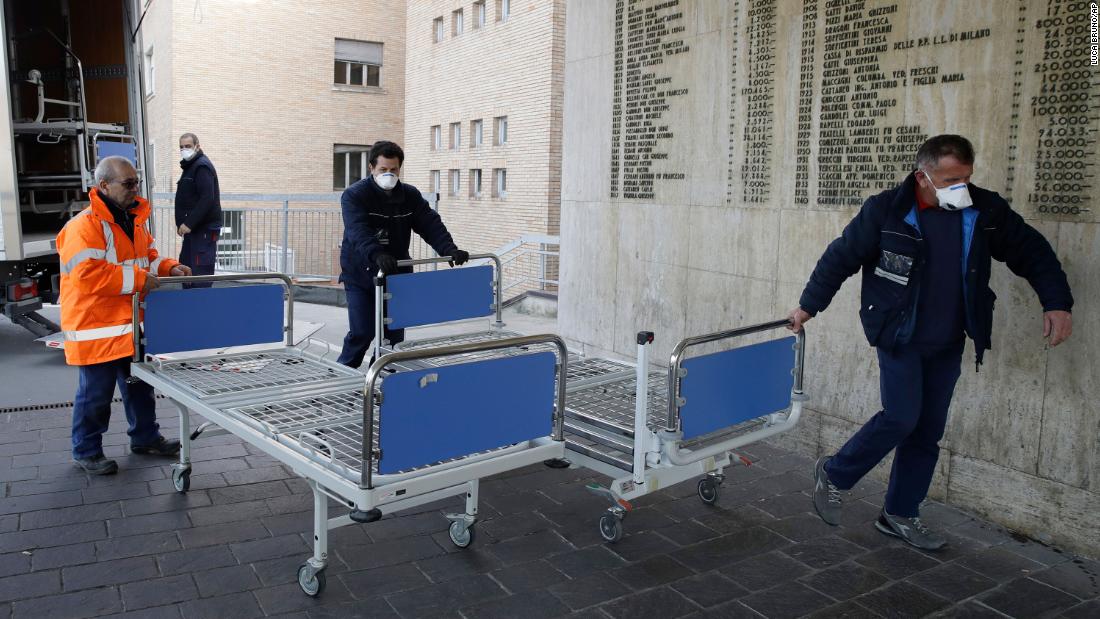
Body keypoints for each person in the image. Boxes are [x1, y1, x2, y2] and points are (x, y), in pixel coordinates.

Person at [788, 135, 1073, 550]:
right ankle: (834, 473)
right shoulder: (887, 209)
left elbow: (1032, 251)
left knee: (927, 430)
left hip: (950, 340)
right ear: (923, 177)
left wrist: (1057, 302)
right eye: (951, 178)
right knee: (902, 417)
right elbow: (841, 257)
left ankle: (900, 513)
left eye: (967, 177)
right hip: (899, 335)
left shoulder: (985, 209)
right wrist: (808, 307)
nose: (961, 186)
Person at [58, 156, 192, 475]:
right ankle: (86, 450)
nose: (135, 189)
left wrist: (169, 267)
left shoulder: (133, 220)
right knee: (96, 395)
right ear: (103, 186)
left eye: (137, 183)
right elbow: (88, 276)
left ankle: (145, 438)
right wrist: (142, 279)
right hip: (97, 329)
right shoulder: (83, 227)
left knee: (138, 386)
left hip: (129, 327)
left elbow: (148, 258)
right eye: (128, 183)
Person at [337, 140, 470, 368]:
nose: (389, 174)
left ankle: (381, 380)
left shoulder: (409, 195)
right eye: (383, 170)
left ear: (400, 169)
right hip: (361, 274)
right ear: (371, 168)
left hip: (397, 275)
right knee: (363, 332)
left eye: (394, 170)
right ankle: (343, 374)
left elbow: (430, 224)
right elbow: (357, 231)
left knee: (393, 339)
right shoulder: (354, 196)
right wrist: (376, 254)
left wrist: (449, 249)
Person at [174, 133, 222, 288]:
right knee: (186, 270)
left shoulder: (201, 166)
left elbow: (207, 198)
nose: (184, 149)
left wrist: (189, 223)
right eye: (181, 147)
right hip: (193, 232)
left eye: (187, 146)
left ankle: (200, 308)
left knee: (200, 275)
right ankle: (189, 307)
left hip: (202, 231)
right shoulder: (190, 167)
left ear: (197, 146)